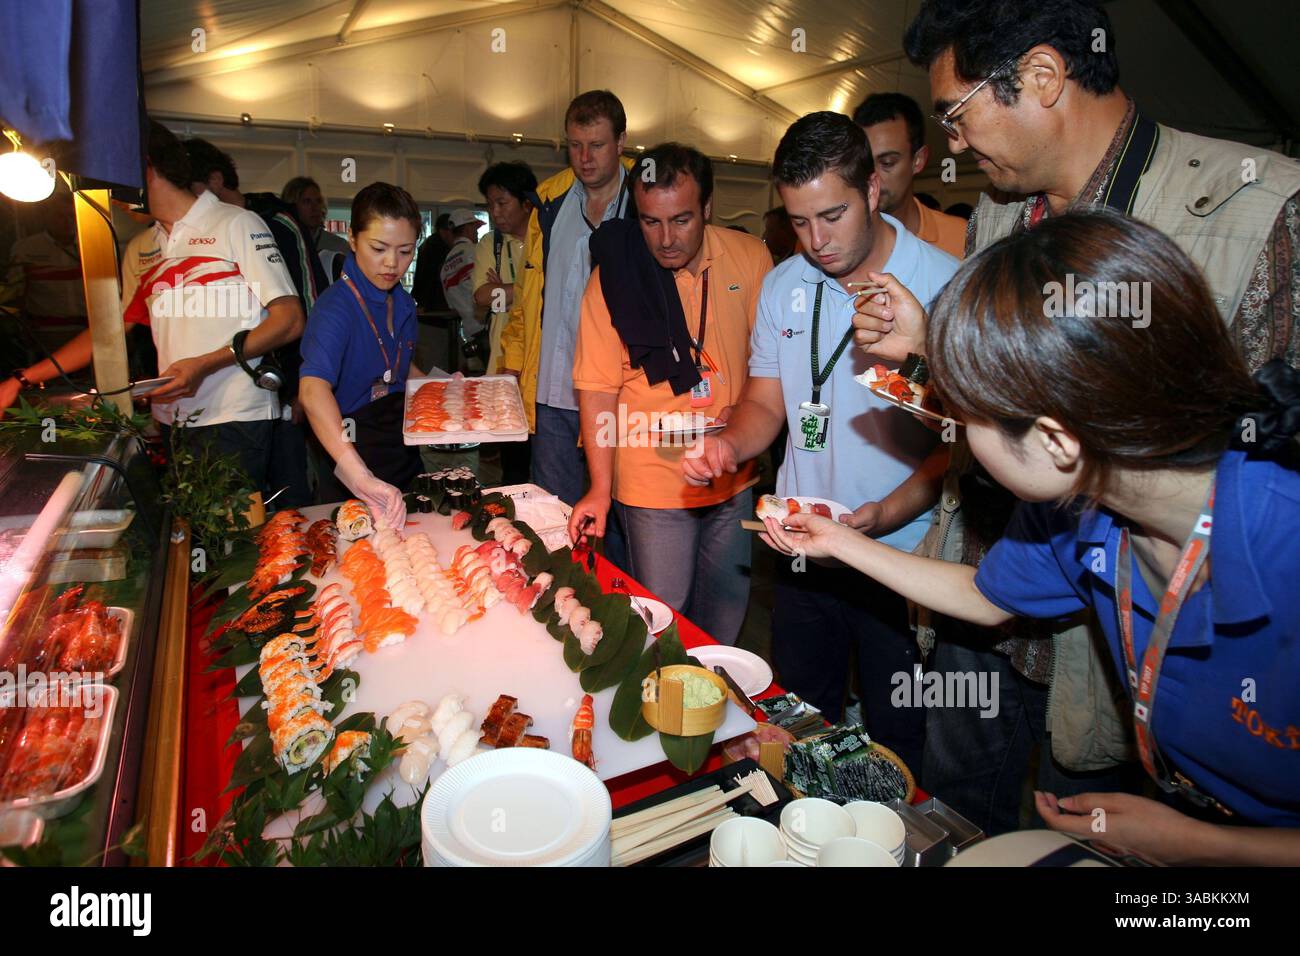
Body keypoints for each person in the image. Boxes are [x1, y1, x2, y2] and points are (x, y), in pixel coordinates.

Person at [868, 0, 1300, 836]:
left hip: (1128, 648)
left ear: (1040, 76)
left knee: (1113, 840)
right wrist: (931, 351)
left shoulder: (1254, 210)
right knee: (961, 816)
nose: (952, 144)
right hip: (992, 582)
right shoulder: (996, 217)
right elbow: (999, 400)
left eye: (958, 115)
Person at [764, 211, 1300, 865]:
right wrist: (837, 541)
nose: (950, 429)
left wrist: (1201, 844)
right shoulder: (1089, 501)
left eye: (963, 414)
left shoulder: (1283, 547)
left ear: (1055, 439)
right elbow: (988, 597)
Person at [682, 112, 958, 772]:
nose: (816, 240)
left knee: (898, 742)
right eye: (799, 222)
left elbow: (964, 445)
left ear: (872, 190)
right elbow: (764, 404)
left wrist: (882, 516)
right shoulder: (784, 285)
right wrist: (729, 446)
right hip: (802, 546)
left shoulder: (946, 285)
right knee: (799, 724)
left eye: (832, 216)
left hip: (901, 554)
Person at [0, 121, 305, 490]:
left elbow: (289, 320)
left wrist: (203, 365)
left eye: (111, 176)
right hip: (171, 420)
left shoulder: (236, 223)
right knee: (188, 536)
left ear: (143, 166)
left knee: (230, 538)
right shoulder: (142, 247)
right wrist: (24, 377)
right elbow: (108, 336)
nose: (109, 194)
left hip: (234, 413)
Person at [571, 143, 772, 644]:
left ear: (707, 207)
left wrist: (745, 405)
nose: (664, 239)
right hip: (653, 478)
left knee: (726, 609)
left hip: (733, 470)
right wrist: (598, 488)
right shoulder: (614, 280)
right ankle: (663, 709)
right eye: (649, 221)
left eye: (681, 220)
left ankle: (714, 705)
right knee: (664, 615)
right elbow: (596, 391)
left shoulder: (749, 257)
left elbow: (771, 359)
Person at [501, 89, 636, 507]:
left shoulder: (647, 200)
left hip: (623, 394)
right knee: (553, 513)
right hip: (554, 393)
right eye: (575, 146)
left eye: (596, 145)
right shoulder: (549, 202)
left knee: (620, 513)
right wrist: (513, 366)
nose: (585, 157)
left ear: (621, 142)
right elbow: (528, 298)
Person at [185, 138, 328, 509]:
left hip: (278, 389)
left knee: (288, 494)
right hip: (220, 398)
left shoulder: (275, 223)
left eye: (189, 192)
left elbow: (310, 305)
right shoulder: (188, 236)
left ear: (215, 182)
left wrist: (301, 384)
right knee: (240, 503)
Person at [298, 183, 425, 527]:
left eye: (405, 251)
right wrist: (357, 474)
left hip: (399, 440)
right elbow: (312, 390)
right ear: (352, 240)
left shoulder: (403, 303)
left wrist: (441, 390)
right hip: (350, 443)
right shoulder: (335, 308)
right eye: (379, 248)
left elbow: (399, 367)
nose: (391, 263)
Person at [474, 161, 536, 485]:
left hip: (540, 371)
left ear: (527, 202)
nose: (495, 213)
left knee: (546, 462)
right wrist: (528, 288)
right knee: (512, 466)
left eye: (501, 202)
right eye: (489, 205)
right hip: (503, 368)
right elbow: (484, 298)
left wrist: (506, 289)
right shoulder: (491, 244)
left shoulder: (548, 240)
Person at [852, 92, 966, 258]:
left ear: (918, 160)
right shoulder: (832, 238)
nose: (871, 178)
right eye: (864, 163)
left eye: (887, 163)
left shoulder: (960, 239)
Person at [1, 190, 87, 358]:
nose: (67, 222)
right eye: (60, 216)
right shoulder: (26, 249)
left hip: (88, 330)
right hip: (46, 333)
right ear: (46, 217)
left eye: (72, 216)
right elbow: (16, 292)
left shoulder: (94, 245)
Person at [439, 208, 486, 363]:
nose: (477, 232)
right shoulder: (476, 252)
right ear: (467, 228)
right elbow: (487, 289)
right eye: (475, 228)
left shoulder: (446, 263)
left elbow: (451, 304)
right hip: (486, 325)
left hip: (470, 330)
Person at [281, 175, 350, 264]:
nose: (315, 207)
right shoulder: (280, 244)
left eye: (318, 201)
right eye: (307, 201)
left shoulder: (338, 246)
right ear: (292, 205)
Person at [411, 213, 453, 313]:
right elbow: (430, 276)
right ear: (443, 231)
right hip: (435, 303)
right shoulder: (439, 247)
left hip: (426, 301)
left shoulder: (428, 244)